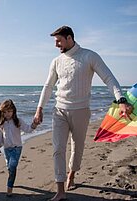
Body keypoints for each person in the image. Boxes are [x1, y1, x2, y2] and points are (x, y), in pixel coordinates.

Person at [33, 25, 131, 201]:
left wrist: (121, 100)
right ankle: (60, 190)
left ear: (69, 38)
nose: (56, 45)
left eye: (59, 41)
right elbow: (48, 86)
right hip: (60, 110)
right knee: (58, 149)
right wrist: (39, 108)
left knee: (77, 148)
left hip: (81, 111)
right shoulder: (56, 61)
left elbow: (108, 78)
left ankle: (72, 173)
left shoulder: (89, 56)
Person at [0, 99, 37, 197]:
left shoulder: (18, 121)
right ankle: (11, 177)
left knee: (12, 167)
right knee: (9, 167)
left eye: (9, 111)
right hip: (7, 149)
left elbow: (28, 129)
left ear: (13, 111)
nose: (7, 114)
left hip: (17, 148)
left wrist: (34, 125)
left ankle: (9, 188)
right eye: (5, 112)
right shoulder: (2, 123)